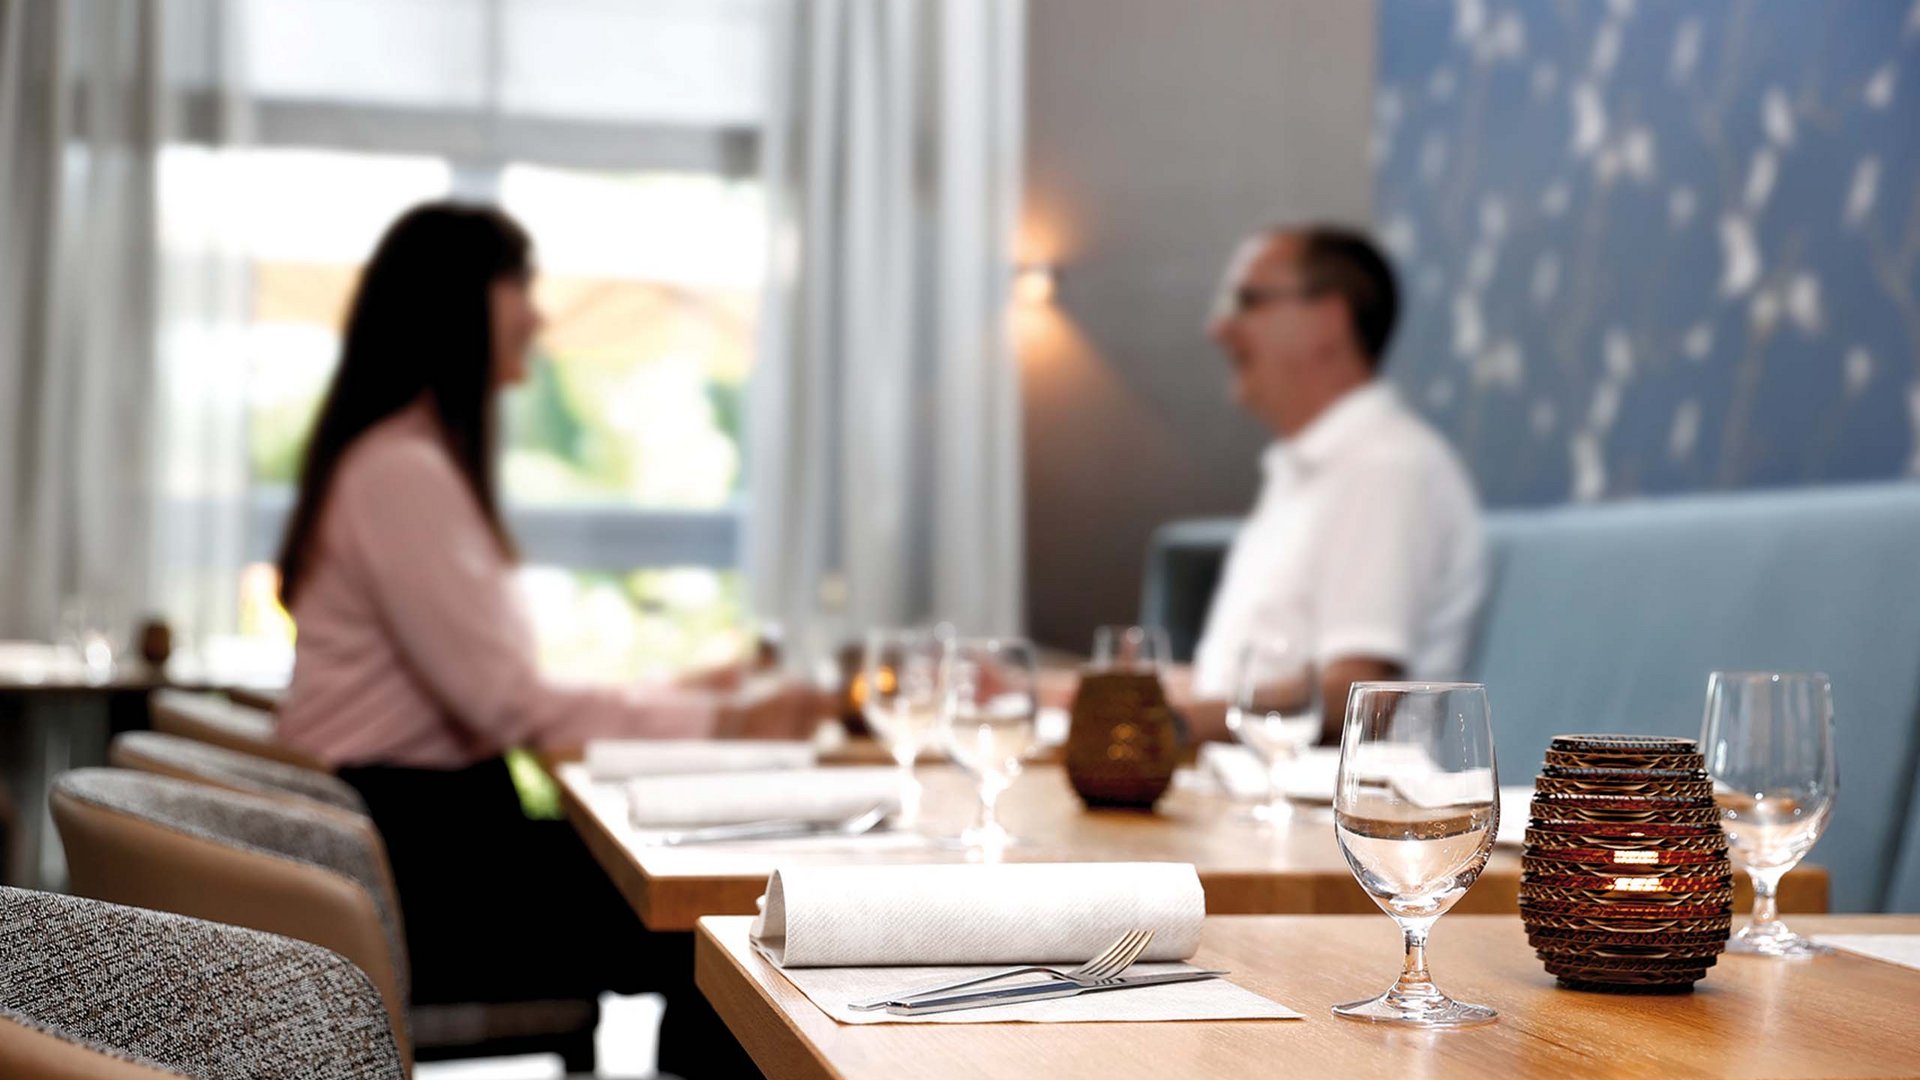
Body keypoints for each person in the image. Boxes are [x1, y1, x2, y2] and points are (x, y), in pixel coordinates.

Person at [274, 201, 811, 1075]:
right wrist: (730, 721)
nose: (538, 312)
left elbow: (500, 688)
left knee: (724, 921)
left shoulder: (394, 459)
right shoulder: (403, 471)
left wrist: (703, 694)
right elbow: (512, 704)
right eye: (518, 283)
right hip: (428, 869)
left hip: (423, 837)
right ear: (457, 302)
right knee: (733, 940)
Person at [1175, 225, 1487, 744]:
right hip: (1255, 790)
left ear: (1328, 320)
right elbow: (1227, 683)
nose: (1219, 328)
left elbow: (1354, 696)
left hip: (1327, 810)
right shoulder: (1310, 470)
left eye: (1246, 301)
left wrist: (1173, 725)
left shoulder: (1385, 466)